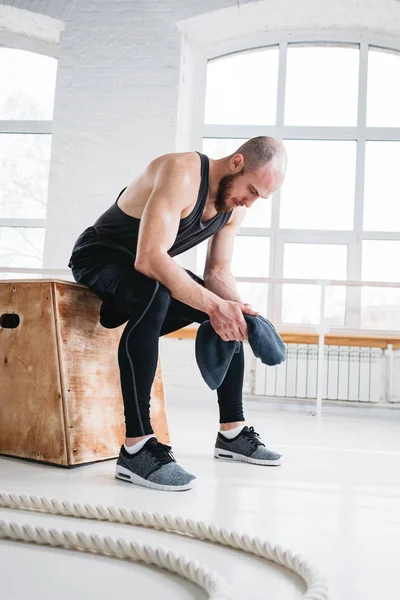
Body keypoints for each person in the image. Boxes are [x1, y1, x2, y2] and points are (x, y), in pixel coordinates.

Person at [68, 136, 287, 492]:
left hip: (142, 275)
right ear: (236, 163)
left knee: (232, 315)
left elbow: (217, 274)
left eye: (259, 197)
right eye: (251, 189)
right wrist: (215, 305)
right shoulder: (182, 171)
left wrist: (239, 310)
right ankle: (136, 447)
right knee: (156, 293)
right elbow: (150, 258)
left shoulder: (236, 209)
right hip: (101, 255)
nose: (250, 201)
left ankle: (231, 433)